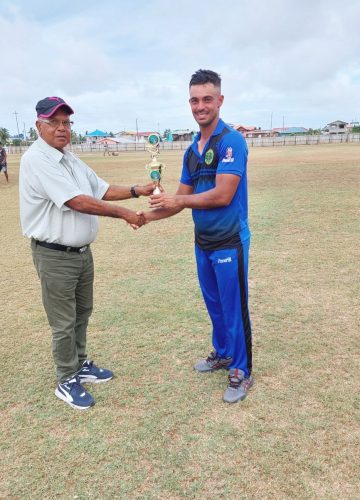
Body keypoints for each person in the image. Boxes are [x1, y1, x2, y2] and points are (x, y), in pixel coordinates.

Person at [19, 96, 154, 410]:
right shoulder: (37, 159)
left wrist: (137, 190)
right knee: (63, 322)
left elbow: (100, 188)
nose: (62, 128)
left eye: (67, 122)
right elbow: (77, 201)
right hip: (55, 255)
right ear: (39, 125)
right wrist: (124, 214)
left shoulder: (68, 157)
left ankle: (79, 363)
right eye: (54, 122)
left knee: (82, 313)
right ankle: (66, 378)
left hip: (80, 253)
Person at [141, 69, 253, 403]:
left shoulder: (231, 141)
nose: (200, 106)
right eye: (194, 100)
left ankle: (241, 371)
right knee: (215, 304)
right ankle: (222, 353)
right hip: (202, 242)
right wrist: (144, 216)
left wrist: (178, 200)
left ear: (220, 100)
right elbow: (178, 199)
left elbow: (222, 195)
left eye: (207, 99)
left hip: (229, 240)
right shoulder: (192, 149)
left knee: (234, 308)